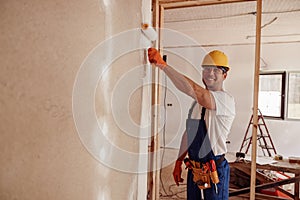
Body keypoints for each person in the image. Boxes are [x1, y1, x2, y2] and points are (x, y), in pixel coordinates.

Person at [148, 48, 235, 199]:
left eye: (216, 70)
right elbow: (190, 133)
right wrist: (179, 161)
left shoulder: (225, 100)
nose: (210, 73)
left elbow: (195, 90)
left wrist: (163, 66)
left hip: (214, 170)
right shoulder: (197, 104)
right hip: (195, 170)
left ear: (225, 75)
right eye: (207, 69)